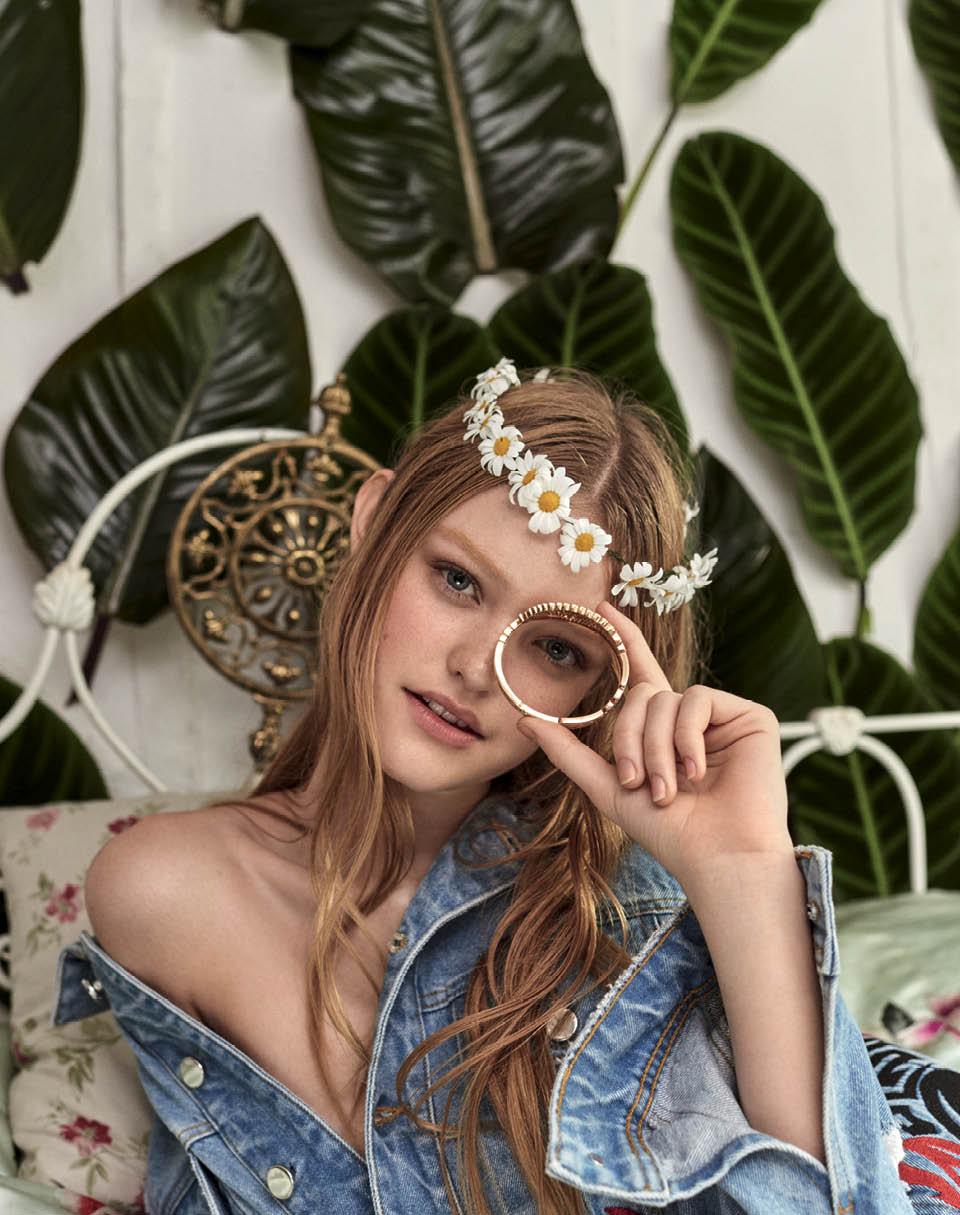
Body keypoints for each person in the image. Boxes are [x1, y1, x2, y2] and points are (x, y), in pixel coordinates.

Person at [52, 364, 954, 1215]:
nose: (477, 668)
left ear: (602, 688)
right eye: (457, 580)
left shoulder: (623, 926)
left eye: (556, 648)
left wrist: (744, 873)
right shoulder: (166, 887)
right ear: (373, 519)